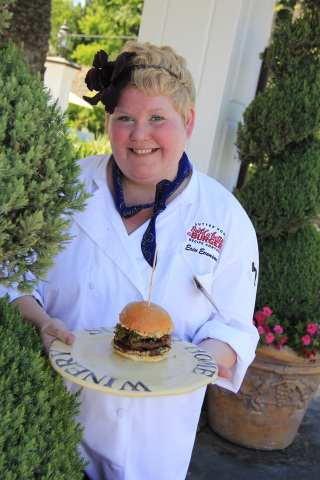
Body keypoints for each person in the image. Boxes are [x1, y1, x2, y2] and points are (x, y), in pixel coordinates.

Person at [1, 42, 259, 480]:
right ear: (109, 121)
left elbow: (232, 327)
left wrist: (188, 364)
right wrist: (41, 323)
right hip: (55, 433)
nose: (140, 135)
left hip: (153, 450)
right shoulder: (63, 189)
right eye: (125, 118)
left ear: (188, 121)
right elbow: (13, 278)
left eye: (157, 118)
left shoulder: (224, 217)